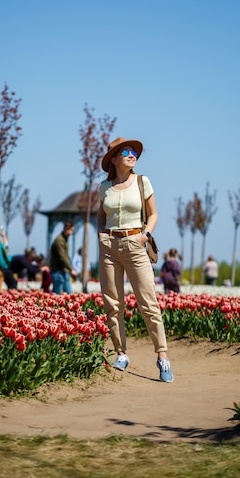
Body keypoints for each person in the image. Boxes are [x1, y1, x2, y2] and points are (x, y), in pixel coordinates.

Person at [97, 136, 174, 383]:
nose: (132, 155)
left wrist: (144, 236)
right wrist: (100, 235)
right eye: (126, 151)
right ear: (115, 159)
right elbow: (101, 214)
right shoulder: (103, 187)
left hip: (135, 243)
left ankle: (162, 356)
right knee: (113, 304)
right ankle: (121, 353)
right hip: (109, 246)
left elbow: (154, 214)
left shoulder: (142, 182)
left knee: (148, 302)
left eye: (133, 152)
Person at [50, 221, 78, 294]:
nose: (71, 233)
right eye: (71, 230)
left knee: (69, 294)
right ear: (66, 229)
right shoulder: (59, 240)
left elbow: (66, 256)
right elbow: (62, 257)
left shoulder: (64, 239)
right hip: (58, 271)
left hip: (64, 270)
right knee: (57, 294)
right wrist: (71, 269)